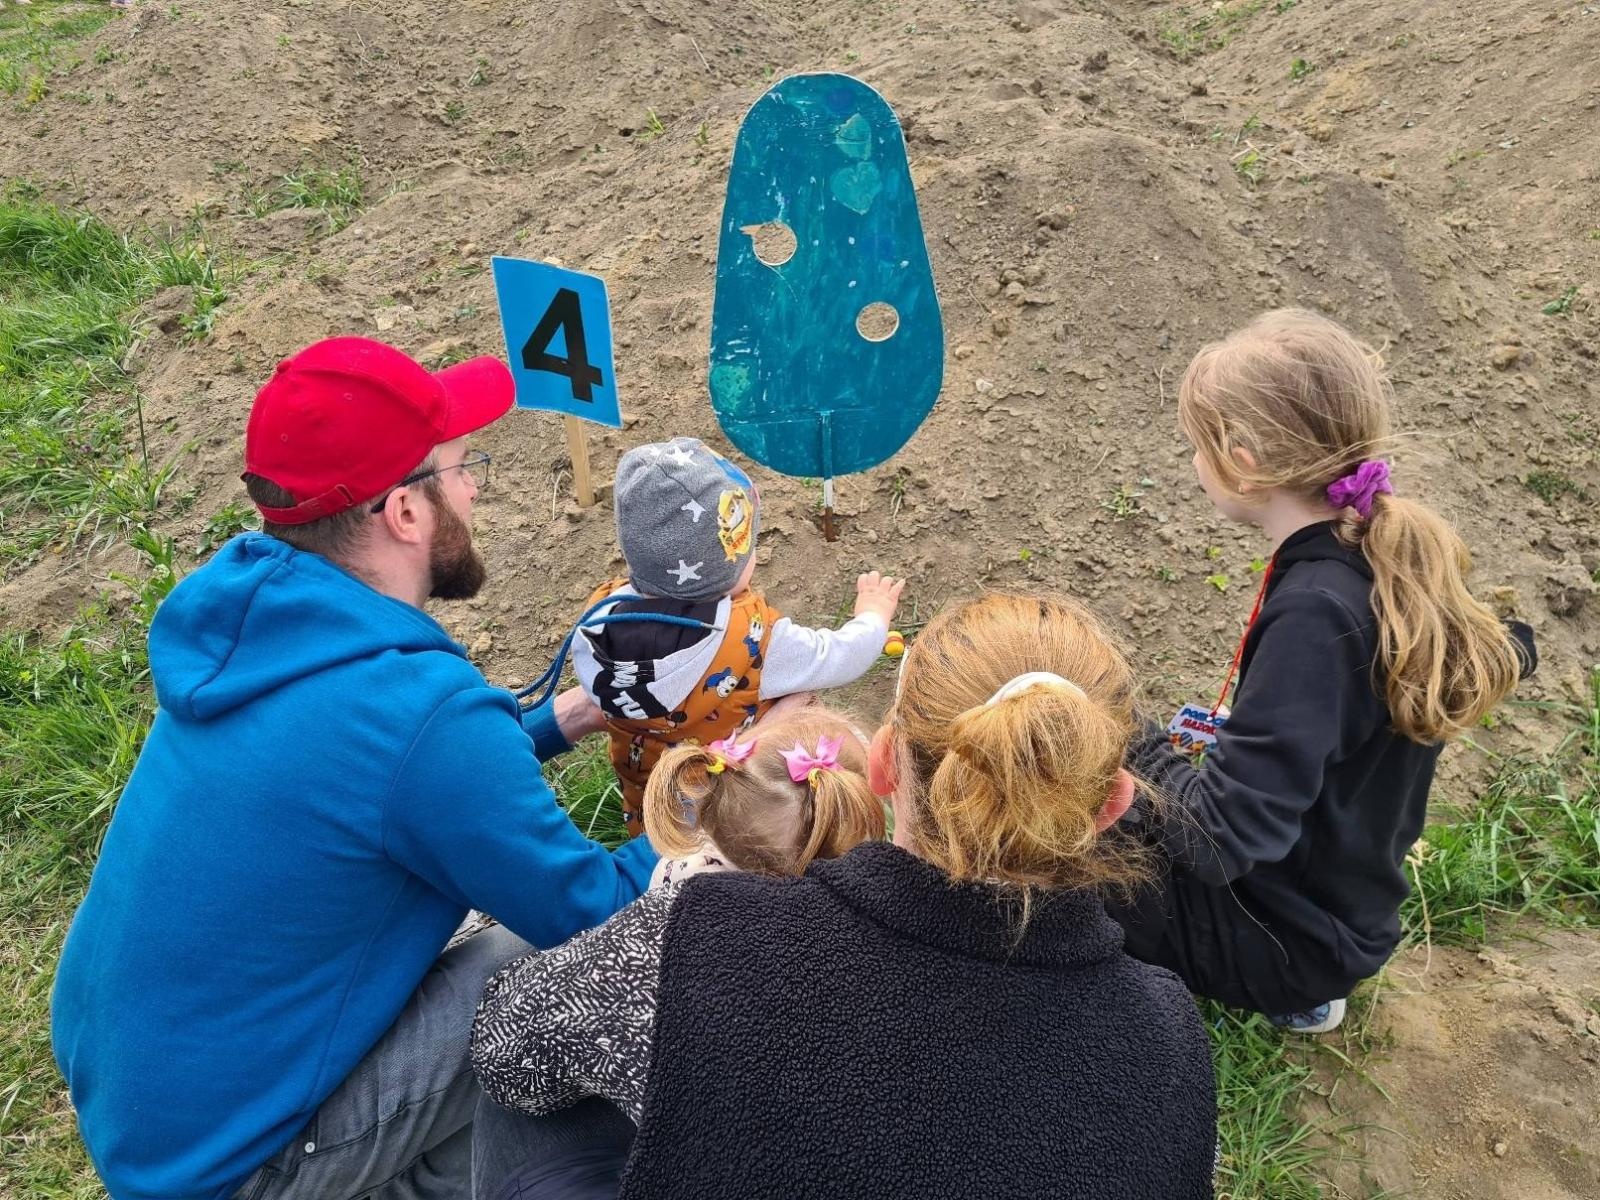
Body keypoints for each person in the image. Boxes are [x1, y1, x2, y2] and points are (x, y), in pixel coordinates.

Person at [51, 337, 657, 1200]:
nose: (476, 486)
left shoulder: (261, 630)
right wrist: (708, 817)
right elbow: (592, 909)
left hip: (146, 1097)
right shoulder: (421, 718)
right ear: (406, 511)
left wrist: (564, 718)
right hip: (231, 1165)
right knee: (572, 972)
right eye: (461, 466)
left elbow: (387, 783)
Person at [470, 593, 1217, 1200]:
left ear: (884, 763)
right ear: (1114, 803)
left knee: (527, 1108)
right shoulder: (1170, 1043)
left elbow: (506, 1049)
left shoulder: (705, 935)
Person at [1115, 308, 1534, 1032]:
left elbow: (1219, 839)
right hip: (1344, 908)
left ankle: (1224, 997)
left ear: (1243, 462)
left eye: (1197, 446)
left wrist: (1125, 729)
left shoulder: (1317, 614)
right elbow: (1515, 644)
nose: (1193, 462)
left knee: (1067, 839)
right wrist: (1248, 741)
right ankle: (1301, 985)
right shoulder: (1373, 552)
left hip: (1286, 937)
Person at [567, 435, 903, 834]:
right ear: (726, 562)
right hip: (743, 812)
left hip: (654, 813)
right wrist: (873, 614)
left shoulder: (600, 625)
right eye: (748, 548)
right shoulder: (755, 640)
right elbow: (842, 656)